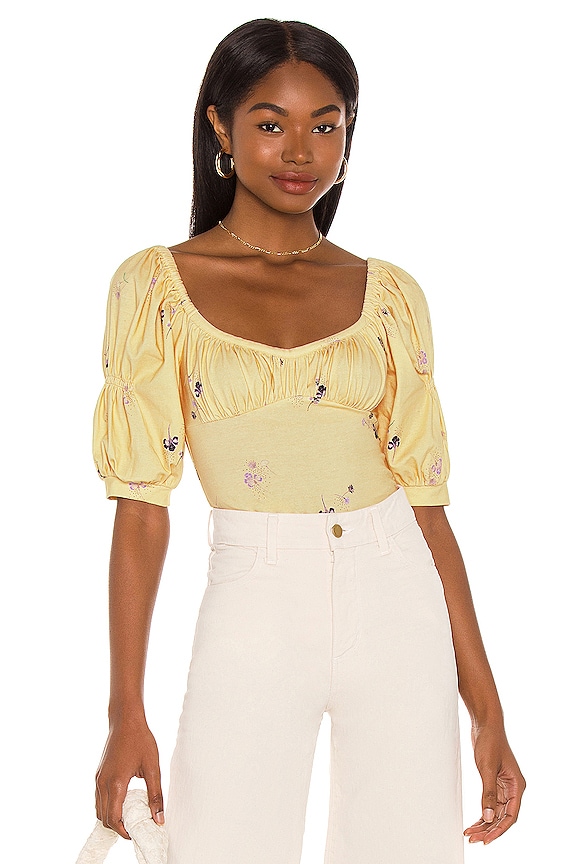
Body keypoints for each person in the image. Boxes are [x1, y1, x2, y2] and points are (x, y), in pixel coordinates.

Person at [92, 18, 525, 864]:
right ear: (220, 128)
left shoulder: (389, 295)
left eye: (325, 126)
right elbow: (141, 510)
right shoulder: (157, 289)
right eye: (270, 123)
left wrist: (488, 709)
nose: (300, 152)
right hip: (254, 602)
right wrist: (124, 713)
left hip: (396, 597)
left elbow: (428, 511)